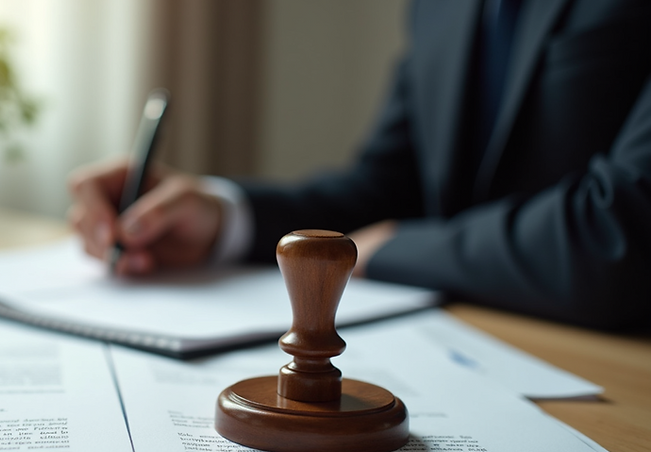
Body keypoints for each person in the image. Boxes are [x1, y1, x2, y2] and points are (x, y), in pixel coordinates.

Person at [68, 0, 651, 330]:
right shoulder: (441, 11)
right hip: (466, 340)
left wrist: (395, 248)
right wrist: (222, 218)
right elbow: (384, 188)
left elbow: (626, 230)